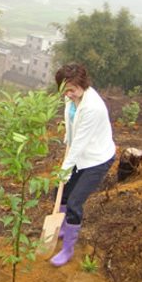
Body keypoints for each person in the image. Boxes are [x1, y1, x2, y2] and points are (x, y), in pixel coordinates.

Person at [51, 63, 116, 267]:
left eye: (71, 89)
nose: (68, 94)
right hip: (79, 154)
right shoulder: (71, 98)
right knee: (59, 193)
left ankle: (68, 249)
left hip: (96, 159)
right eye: (65, 89)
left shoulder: (93, 108)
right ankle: (62, 228)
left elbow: (80, 143)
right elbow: (71, 124)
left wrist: (65, 169)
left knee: (74, 203)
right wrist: (66, 136)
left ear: (82, 84)